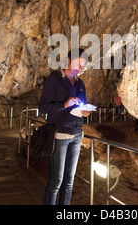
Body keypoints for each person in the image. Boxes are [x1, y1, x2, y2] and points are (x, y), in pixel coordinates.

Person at [39, 48, 91, 205]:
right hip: (60, 134)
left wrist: (85, 112)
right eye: (78, 64)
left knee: (69, 181)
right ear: (68, 61)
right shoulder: (55, 80)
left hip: (76, 134)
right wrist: (64, 104)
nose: (80, 69)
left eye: (83, 65)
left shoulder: (80, 83)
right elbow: (43, 107)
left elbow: (83, 105)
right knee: (56, 181)